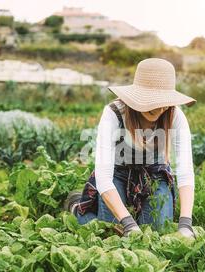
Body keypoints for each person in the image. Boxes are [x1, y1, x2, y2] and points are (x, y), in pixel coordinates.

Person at [66, 58, 197, 238]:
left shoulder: (175, 116)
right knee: (109, 232)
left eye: (163, 100)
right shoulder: (114, 113)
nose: (159, 108)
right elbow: (103, 176)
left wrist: (186, 223)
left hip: (154, 174)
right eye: (152, 100)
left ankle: (135, 213)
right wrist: (128, 223)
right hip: (117, 174)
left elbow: (185, 171)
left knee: (157, 231)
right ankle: (76, 206)